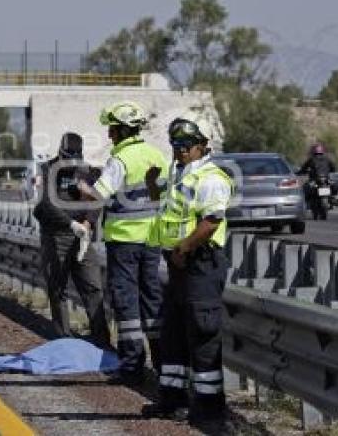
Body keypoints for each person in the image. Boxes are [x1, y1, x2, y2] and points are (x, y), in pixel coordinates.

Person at [143, 117, 234, 425]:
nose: (179, 151)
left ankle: (209, 409)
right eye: (175, 145)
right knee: (173, 334)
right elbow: (165, 204)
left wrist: (184, 248)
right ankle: (172, 400)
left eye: (185, 146)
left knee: (203, 333)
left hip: (200, 263)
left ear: (201, 147)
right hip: (177, 264)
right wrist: (151, 183)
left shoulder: (211, 177)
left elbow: (210, 222)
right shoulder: (179, 172)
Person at [79, 101, 169, 386]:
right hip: (152, 239)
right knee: (152, 301)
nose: (108, 136)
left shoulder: (121, 160)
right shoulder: (157, 155)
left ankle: (132, 366)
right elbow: (159, 197)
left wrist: (81, 188)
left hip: (124, 242)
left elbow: (98, 196)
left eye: (111, 130)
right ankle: (164, 363)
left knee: (127, 304)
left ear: (120, 130)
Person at [33, 132, 110, 347]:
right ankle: (63, 338)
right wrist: (71, 224)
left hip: (82, 238)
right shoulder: (47, 169)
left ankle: (102, 341)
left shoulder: (86, 171)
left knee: (93, 287)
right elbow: (46, 204)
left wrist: (87, 224)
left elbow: (97, 200)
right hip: (56, 235)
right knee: (58, 288)